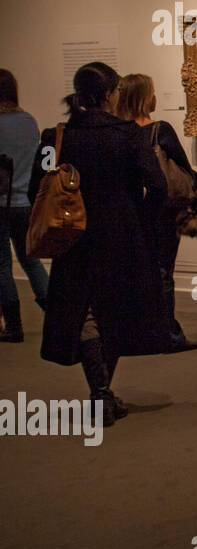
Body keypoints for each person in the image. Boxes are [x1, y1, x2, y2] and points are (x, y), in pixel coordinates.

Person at [31, 63, 171, 423]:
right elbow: (156, 186)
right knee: (116, 310)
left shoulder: (56, 136)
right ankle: (102, 391)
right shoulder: (127, 135)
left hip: (73, 236)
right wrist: (142, 220)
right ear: (110, 95)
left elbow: (38, 188)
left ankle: (99, 391)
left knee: (85, 311)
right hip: (121, 235)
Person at [115, 73, 197, 353]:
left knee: (134, 272)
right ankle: (168, 334)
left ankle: (139, 334)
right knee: (163, 271)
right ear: (144, 97)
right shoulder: (159, 130)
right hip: (162, 212)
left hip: (129, 213)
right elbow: (184, 169)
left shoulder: (118, 132)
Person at [0, 69, 49, 341]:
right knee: (31, 261)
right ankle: (56, 315)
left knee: (1, 265)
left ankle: (14, 326)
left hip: (0, 203)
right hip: (24, 202)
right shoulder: (29, 121)